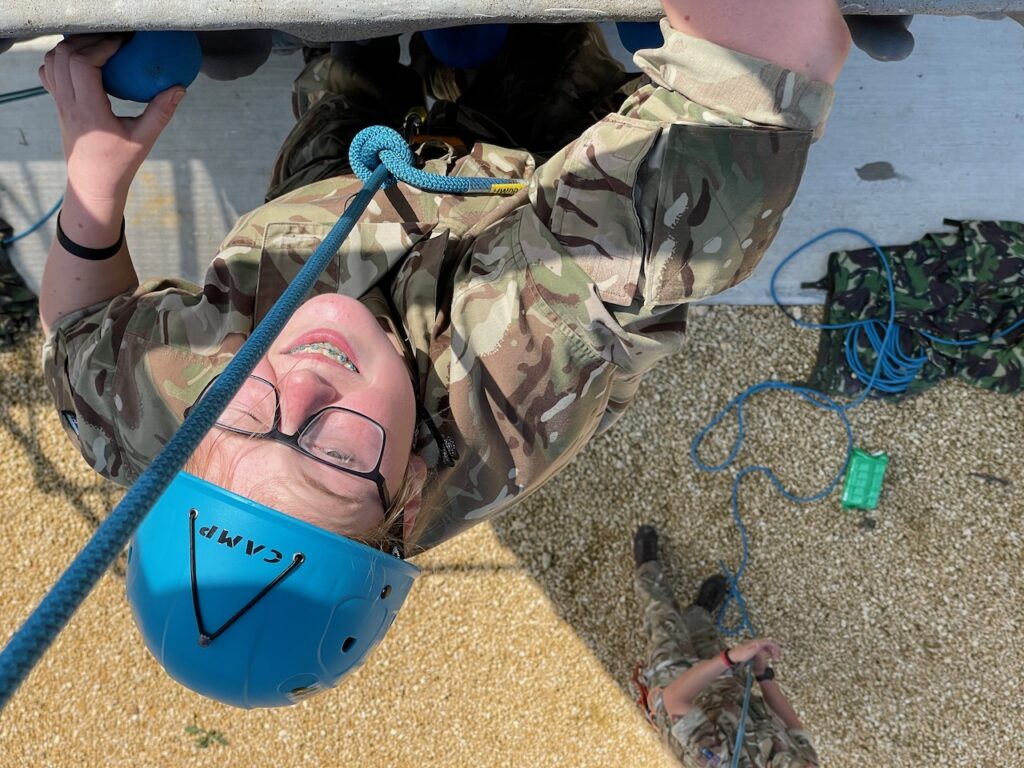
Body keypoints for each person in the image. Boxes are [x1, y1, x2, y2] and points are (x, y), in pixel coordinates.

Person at [38, 0, 851, 705]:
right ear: (410, 487)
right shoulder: (521, 364)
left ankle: (351, 56)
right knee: (495, 47)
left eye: (244, 415)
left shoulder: (160, 420)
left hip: (329, 204)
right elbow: (776, 58)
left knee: (344, 68)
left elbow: (78, 338)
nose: (303, 385)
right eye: (334, 455)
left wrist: (94, 190)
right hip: (522, 176)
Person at [632, 525, 818, 766]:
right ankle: (699, 612)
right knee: (705, 635)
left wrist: (729, 658)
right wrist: (763, 674)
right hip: (730, 691)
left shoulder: (718, 760)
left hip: (678, 688)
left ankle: (647, 566)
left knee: (662, 619)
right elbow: (795, 730)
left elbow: (675, 699)